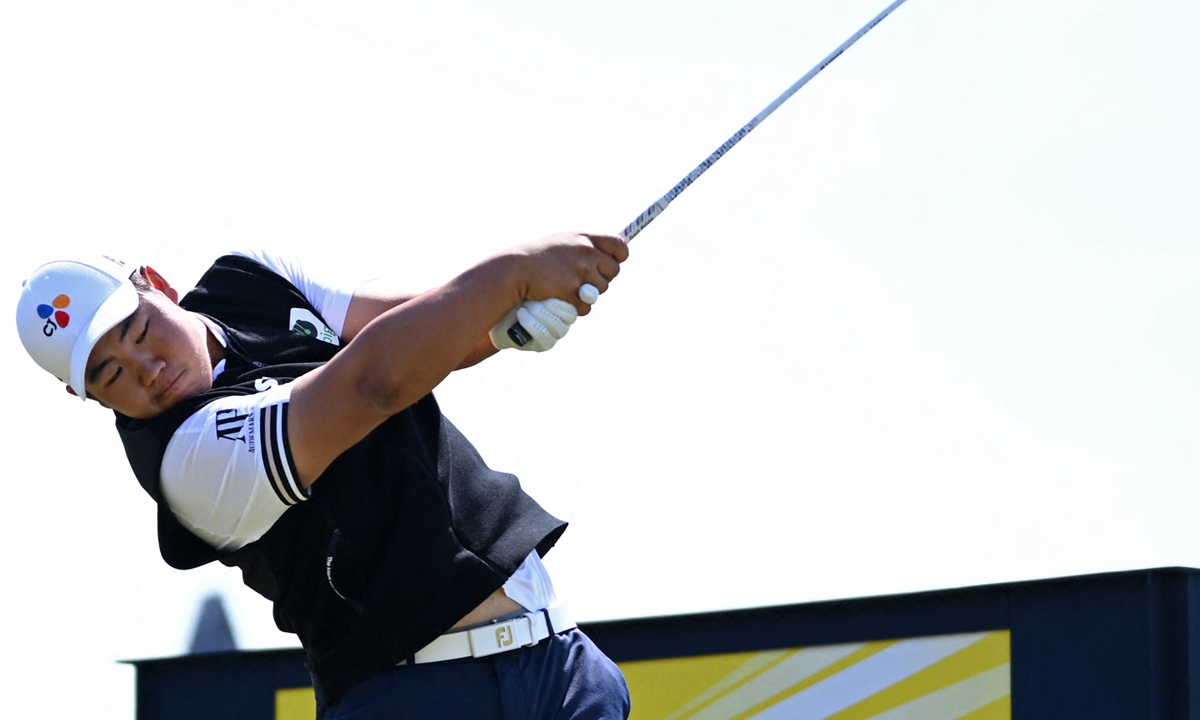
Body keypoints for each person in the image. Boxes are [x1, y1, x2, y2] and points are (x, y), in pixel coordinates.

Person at [15, 233, 631, 719]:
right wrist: (514, 270)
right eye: (109, 374)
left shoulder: (249, 279)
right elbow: (374, 383)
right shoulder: (185, 459)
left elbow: (423, 324)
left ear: (157, 285)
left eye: (138, 331)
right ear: (82, 395)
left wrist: (502, 319)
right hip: (410, 697)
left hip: (558, 662)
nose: (145, 369)